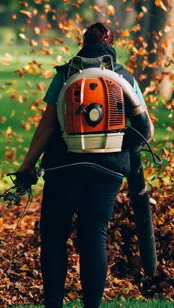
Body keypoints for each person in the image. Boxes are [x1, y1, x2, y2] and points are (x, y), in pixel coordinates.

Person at [16, 22, 155, 308]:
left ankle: (54, 304)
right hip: (108, 169)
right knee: (94, 235)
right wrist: (126, 151)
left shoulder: (65, 74)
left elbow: (47, 125)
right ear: (112, 46)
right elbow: (146, 130)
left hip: (64, 167)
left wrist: (28, 164)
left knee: (54, 236)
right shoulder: (124, 77)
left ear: (82, 43)